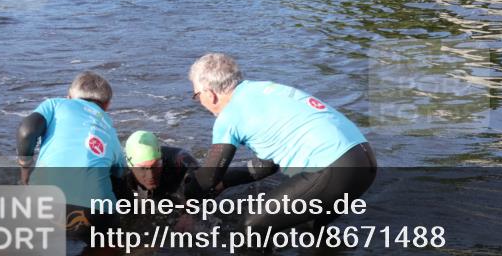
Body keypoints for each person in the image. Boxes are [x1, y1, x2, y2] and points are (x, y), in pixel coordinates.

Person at [188, 53, 377, 234]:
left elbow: (208, 178)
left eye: (197, 96)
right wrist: (225, 183)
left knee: (251, 226)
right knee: (309, 228)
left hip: (333, 168)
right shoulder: (265, 90)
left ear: (209, 94)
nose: (200, 102)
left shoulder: (229, 116)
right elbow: (266, 166)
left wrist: (183, 206)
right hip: (363, 161)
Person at [16, 72, 125, 241]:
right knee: (108, 248)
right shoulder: (111, 134)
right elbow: (120, 177)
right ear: (107, 105)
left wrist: (25, 171)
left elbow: (27, 131)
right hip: (94, 212)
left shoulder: (55, 105)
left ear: (69, 96)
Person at [116, 130, 201, 202]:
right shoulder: (121, 175)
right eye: (143, 168)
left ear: (161, 159)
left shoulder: (179, 162)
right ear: (130, 166)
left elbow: (200, 177)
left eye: (155, 166)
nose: (151, 175)